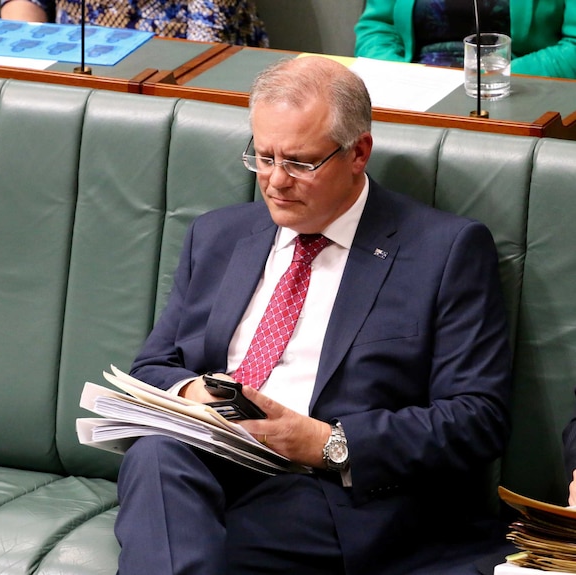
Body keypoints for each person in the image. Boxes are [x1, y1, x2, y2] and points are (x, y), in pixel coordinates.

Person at [114, 55, 514, 574]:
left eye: (300, 163)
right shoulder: (217, 236)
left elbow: (477, 417)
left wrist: (329, 444)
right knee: (154, 456)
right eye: (262, 157)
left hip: (331, 491)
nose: (276, 181)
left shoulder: (445, 250)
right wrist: (196, 396)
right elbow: (153, 366)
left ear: (358, 153)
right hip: (212, 463)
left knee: (193, 548)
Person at [355, 0, 576, 79]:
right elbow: (377, 28)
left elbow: (573, 48)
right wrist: (401, 77)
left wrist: (492, 79)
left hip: (516, 90)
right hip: (415, 90)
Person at [0, 0, 269, 47]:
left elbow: (208, 43)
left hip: (169, 69)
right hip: (71, 60)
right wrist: (28, 45)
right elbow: (25, 3)